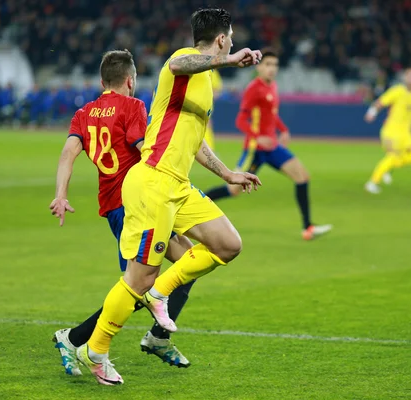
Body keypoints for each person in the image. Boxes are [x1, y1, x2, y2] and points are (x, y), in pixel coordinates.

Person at [74, 8, 263, 385]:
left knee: (227, 244)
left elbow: (192, 142)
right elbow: (182, 66)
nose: (233, 44)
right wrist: (224, 61)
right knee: (138, 278)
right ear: (223, 38)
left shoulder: (204, 82)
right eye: (231, 38)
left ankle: (161, 292)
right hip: (154, 182)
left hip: (178, 184)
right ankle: (94, 350)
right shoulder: (182, 60)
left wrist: (227, 173)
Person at [49, 50, 195, 377]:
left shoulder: (84, 113)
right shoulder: (133, 106)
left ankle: (156, 336)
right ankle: (79, 340)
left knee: (186, 260)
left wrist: (61, 195)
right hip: (134, 206)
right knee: (139, 285)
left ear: (102, 82)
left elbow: (67, 155)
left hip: (117, 207)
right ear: (130, 80)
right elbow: (145, 150)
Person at [205, 50, 332, 240]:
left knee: (302, 176)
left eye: (275, 65)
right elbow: (241, 120)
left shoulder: (272, 86)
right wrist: (257, 136)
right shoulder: (253, 88)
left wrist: (283, 129)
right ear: (259, 67)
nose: (272, 69)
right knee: (233, 190)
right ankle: (194, 205)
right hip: (255, 149)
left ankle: (308, 228)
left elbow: (271, 115)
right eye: (268, 64)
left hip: (272, 147)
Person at [363, 68, 411, 194]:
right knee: (393, 155)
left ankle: (389, 166)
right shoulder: (397, 91)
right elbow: (381, 102)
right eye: (409, 75)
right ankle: (372, 183)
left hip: (406, 134)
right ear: (404, 77)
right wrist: (371, 112)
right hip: (391, 131)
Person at [204, 68, 223, 149]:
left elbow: (216, 92)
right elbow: (216, 92)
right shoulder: (213, 72)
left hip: (205, 106)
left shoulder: (213, 72)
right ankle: (208, 150)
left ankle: (208, 150)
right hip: (204, 105)